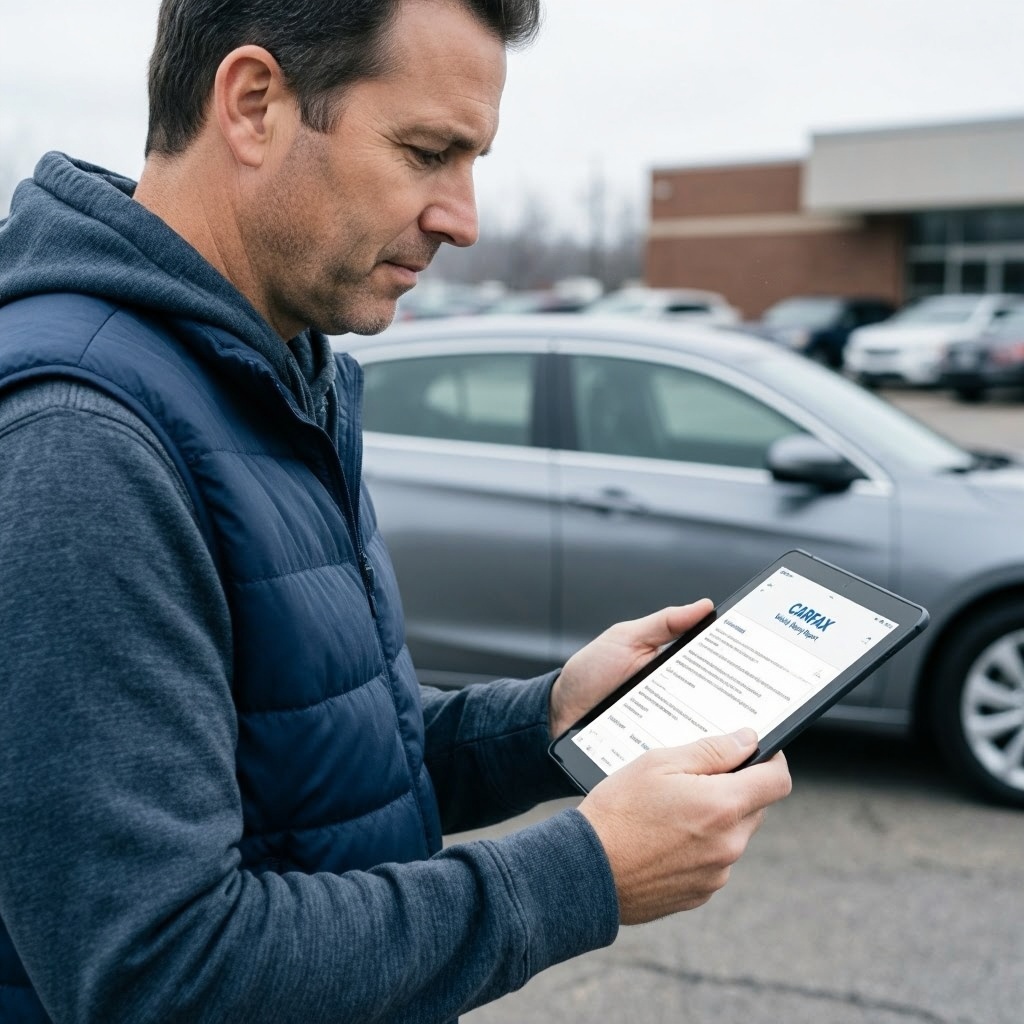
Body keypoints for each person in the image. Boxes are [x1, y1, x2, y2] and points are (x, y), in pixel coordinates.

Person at [0, 1, 792, 1021]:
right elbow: (160, 972)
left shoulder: (278, 370)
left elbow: (312, 759)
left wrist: (548, 720)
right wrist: (581, 873)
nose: (464, 216)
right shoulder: (81, 440)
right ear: (252, 105)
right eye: (427, 152)